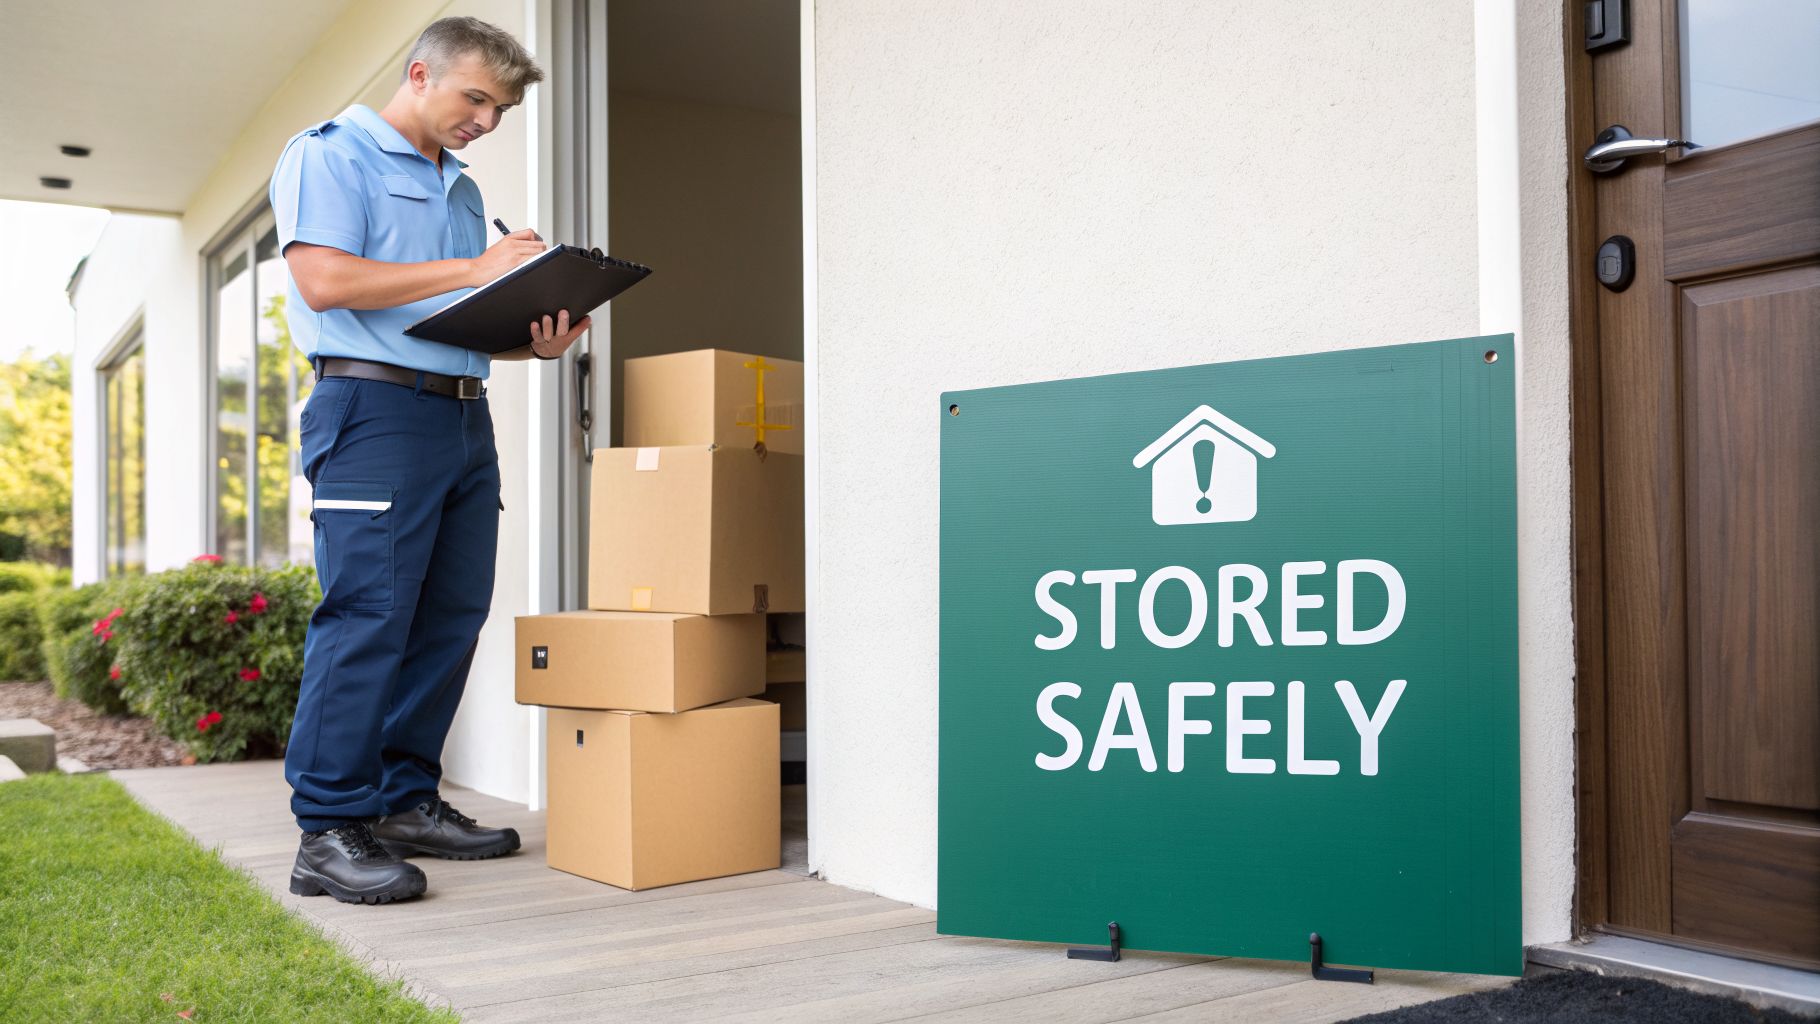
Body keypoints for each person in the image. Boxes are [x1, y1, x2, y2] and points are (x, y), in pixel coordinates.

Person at [271, 16, 585, 905]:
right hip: (370, 411)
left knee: (450, 615)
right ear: (420, 73)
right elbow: (326, 281)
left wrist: (536, 338)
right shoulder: (330, 155)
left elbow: (449, 315)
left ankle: (405, 798)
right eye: (475, 98)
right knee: (367, 615)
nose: (486, 121)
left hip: (460, 416)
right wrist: (476, 265)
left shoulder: (458, 186)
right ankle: (327, 830)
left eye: (500, 109)